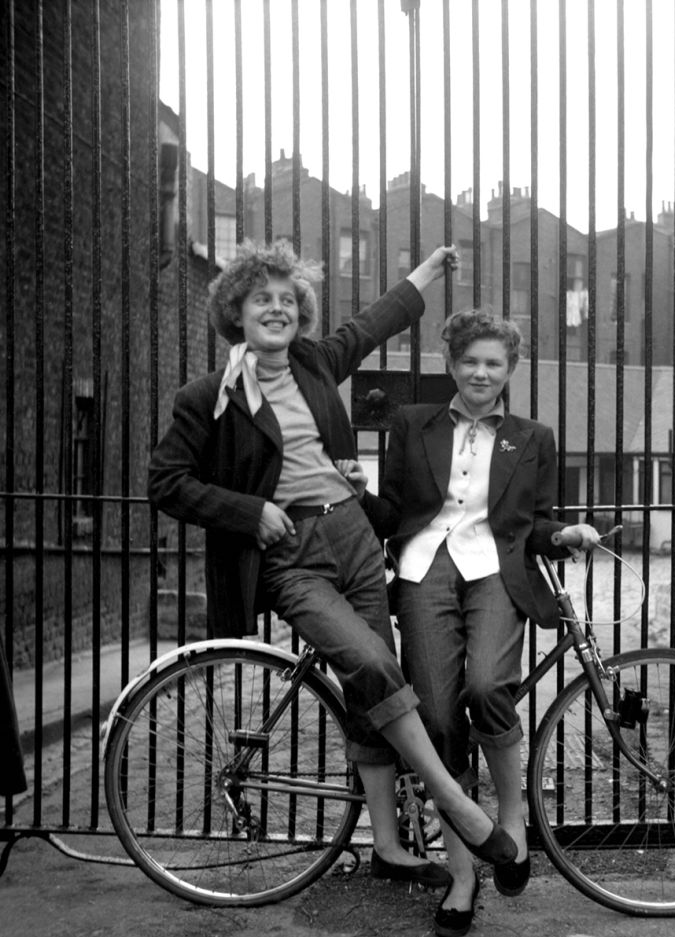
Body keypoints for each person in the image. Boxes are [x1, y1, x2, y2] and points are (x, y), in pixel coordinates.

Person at [147, 243, 517, 893]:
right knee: (373, 663)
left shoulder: (315, 362)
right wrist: (248, 509)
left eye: (288, 299)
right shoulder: (206, 397)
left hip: (353, 534)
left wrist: (429, 269)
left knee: (372, 690)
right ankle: (455, 802)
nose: (277, 308)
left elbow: (374, 321)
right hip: (291, 555)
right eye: (262, 297)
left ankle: (390, 848)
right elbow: (167, 482)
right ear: (235, 308)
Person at [360, 308, 599, 937]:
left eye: (493, 363)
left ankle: (513, 822)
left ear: (511, 369)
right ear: (451, 364)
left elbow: (536, 522)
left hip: (496, 567)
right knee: (437, 716)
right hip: (423, 568)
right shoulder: (413, 424)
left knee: (490, 684)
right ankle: (464, 875)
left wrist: (565, 532)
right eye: (469, 361)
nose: (480, 373)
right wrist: (356, 490)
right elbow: (391, 513)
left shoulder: (534, 436)